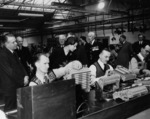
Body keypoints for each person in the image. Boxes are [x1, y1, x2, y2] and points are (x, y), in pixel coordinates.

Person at [0, 34, 29, 112]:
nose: (16, 43)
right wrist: (22, 81)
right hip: (9, 88)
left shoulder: (14, 52)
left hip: (16, 85)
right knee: (9, 110)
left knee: (16, 109)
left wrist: (26, 75)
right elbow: (10, 72)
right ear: (6, 44)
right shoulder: (2, 54)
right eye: (13, 42)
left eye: (15, 41)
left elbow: (21, 65)